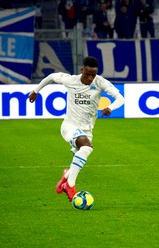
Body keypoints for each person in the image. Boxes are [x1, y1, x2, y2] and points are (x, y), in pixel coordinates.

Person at [28, 56, 125, 202]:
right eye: (87, 74)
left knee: (84, 151)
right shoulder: (70, 80)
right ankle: (70, 186)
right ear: (82, 70)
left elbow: (120, 98)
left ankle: (65, 178)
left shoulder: (100, 82)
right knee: (86, 148)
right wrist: (36, 90)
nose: (90, 77)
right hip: (69, 126)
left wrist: (110, 107)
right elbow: (52, 76)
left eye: (93, 74)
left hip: (87, 130)